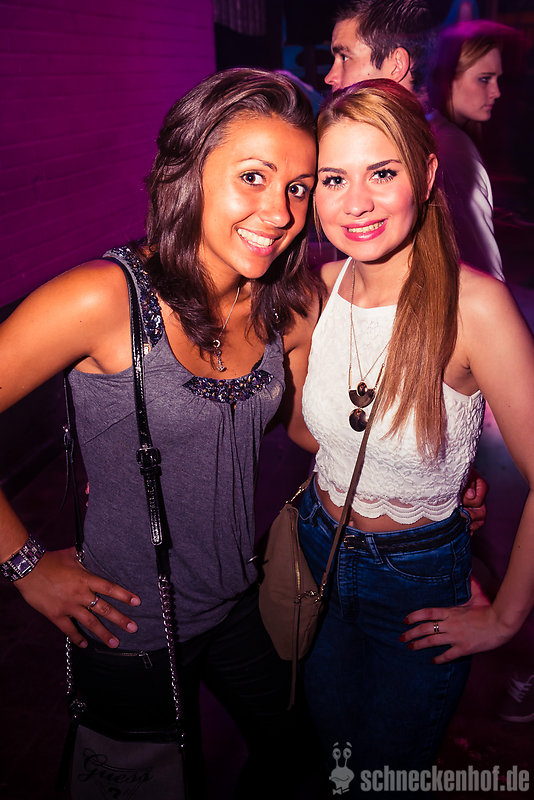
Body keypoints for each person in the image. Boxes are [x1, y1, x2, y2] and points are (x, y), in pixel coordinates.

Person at [0, 67, 322, 799]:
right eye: (252, 177)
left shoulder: (285, 304)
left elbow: (307, 432)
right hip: (130, 625)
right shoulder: (103, 299)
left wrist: (418, 473)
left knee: (298, 754)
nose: (279, 212)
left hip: (239, 601)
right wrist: (26, 567)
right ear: (189, 172)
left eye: (299, 187)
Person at [290, 79, 534, 795]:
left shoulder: (474, 307)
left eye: (382, 172)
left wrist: (505, 618)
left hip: (416, 582)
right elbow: (310, 433)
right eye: (334, 179)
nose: (356, 203)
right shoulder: (317, 289)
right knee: (334, 755)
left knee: (387, 775)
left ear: (425, 176)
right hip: (318, 553)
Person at [323, 0, 489, 522]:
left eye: (343, 56)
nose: (330, 75)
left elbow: (481, 270)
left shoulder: (444, 151)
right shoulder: (328, 283)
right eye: (333, 179)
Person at [427, 20, 516, 280]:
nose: (496, 92)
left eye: (498, 79)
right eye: (484, 79)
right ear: (448, 79)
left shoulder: (433, 133)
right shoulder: (454, 148)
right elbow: (485, 263)